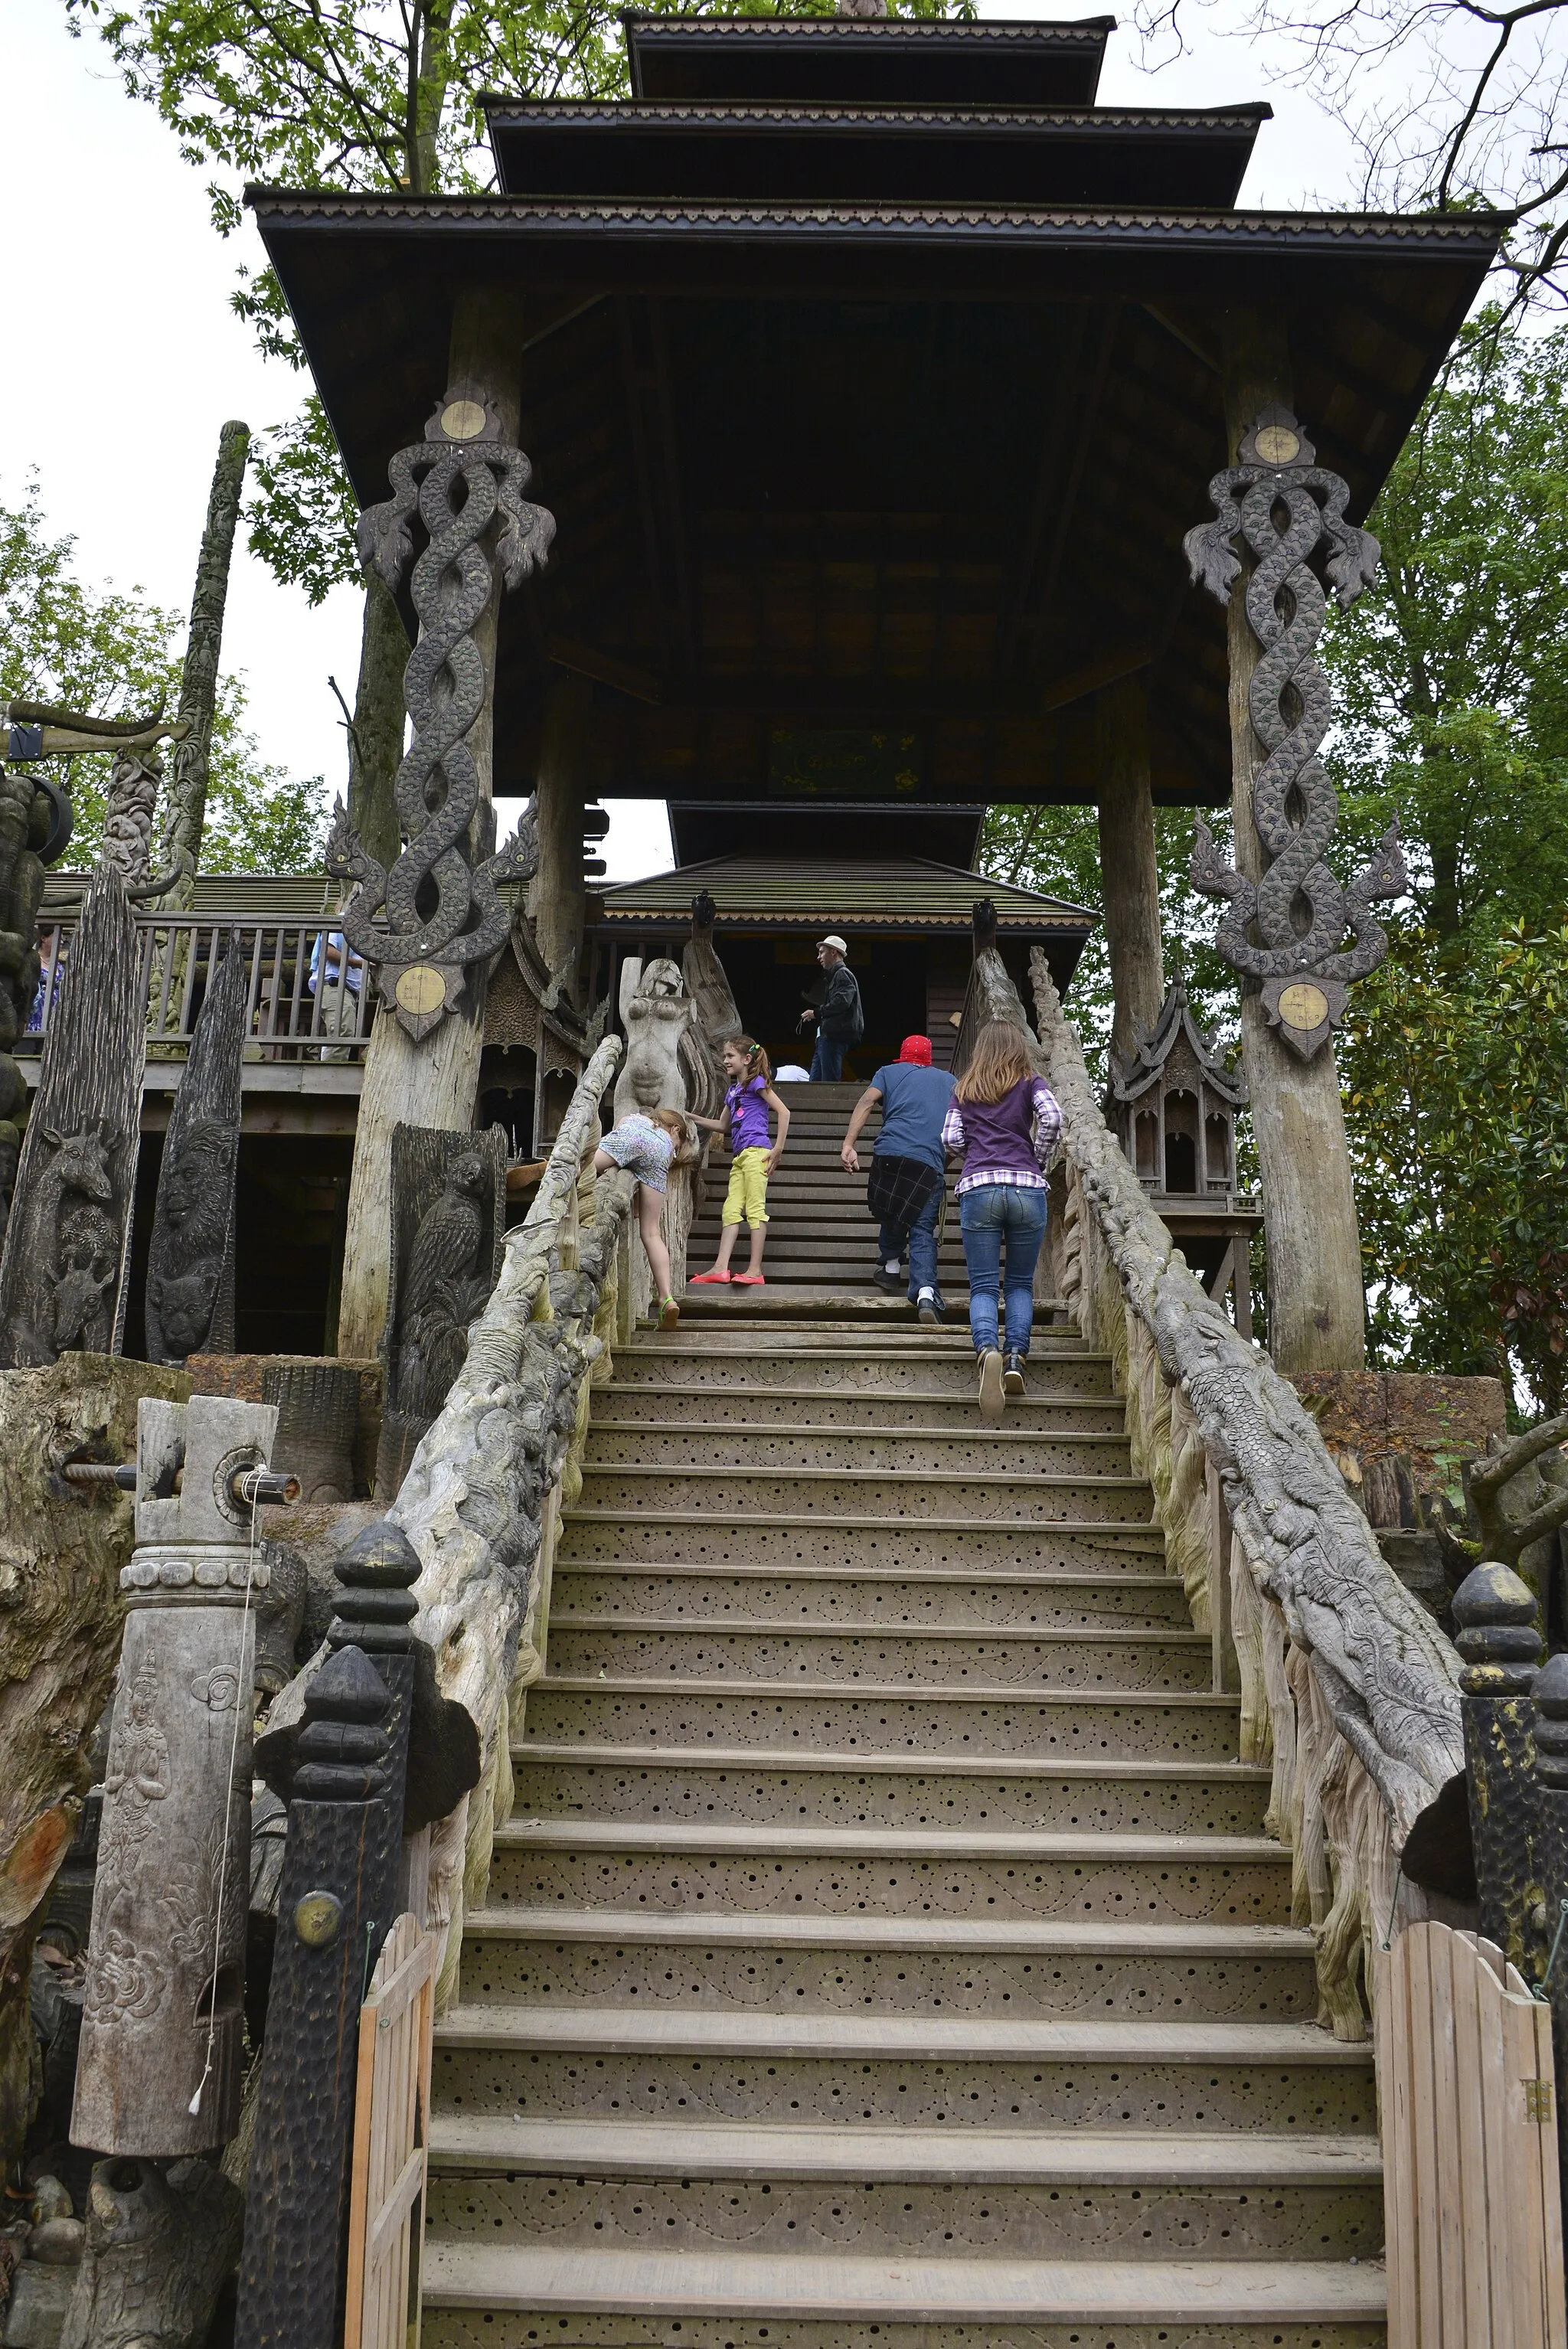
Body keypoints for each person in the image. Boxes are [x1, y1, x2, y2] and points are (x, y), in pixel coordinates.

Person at [942, 1023, 1062, 1420]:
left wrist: (975, 1154)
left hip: (978, 1188)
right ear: (1017, 1047)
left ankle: (986, 1350)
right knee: (1020, 1284)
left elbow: (950, 1139)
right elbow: (1053, 1118)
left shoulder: (964, 1088)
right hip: (1027, 1187)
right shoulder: (1031, 1081)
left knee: (983, 1285)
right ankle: (1015, 1359)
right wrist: (1038, 1161)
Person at [839, 1034, 954, 1323]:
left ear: (902, 1056)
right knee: (922, 1228)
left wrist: (849, 1145)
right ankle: (926, 1292)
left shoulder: (887, 1072)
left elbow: (867, 1101)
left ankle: (891, 1268)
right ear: (929, 1059)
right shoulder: (951, 1081)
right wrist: (943, 1160)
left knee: (891, 1208)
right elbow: (961, 1127)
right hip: (928, 1161)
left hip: (890, 1153)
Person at [688, 1037, 791, 1286]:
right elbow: (723, 1126)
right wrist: (691, 1117)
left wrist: (777, 1149)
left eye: (730, 1056)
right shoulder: (733, 1091)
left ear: (746, 1059)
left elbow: (784, 1112)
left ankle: (755, 1270)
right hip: (740, 1156)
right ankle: (720, 1268)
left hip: (758, 1153)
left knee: (755, 1211)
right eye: (724, 1056)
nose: (725, 1061)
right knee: (731, 1210)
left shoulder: (756, 1083)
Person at [593, 1105, 697, 1331]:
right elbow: (645, 1170)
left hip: (631, 1137)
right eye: (678, 1147)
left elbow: (623, 1134)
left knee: (584, 1167)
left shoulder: (636, 1119)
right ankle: (666, 1298)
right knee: (652, 1233)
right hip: (656, 1157)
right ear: (675, 1129)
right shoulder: (666, 1145)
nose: (677, 1152)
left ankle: (546, 1169)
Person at [798, 936, 862, 1083]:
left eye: (822, 952)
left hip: (834, 1035)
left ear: (833, 952)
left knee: (828, 1082)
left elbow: (842, 1002)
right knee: (816, 1081)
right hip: (827, 1036)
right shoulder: (837, 975)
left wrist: (816, 1013)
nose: (818, 957)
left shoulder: (842, 973)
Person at [309, 923, 366, 1061]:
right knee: (342, 1030)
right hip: (335, 986)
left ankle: (328, 1070)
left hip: (347, 990)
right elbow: (328, 951)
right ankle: (328, 1076)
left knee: (341, 1031)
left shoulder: (362, 926)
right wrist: (362, 964)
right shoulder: (344, 921)